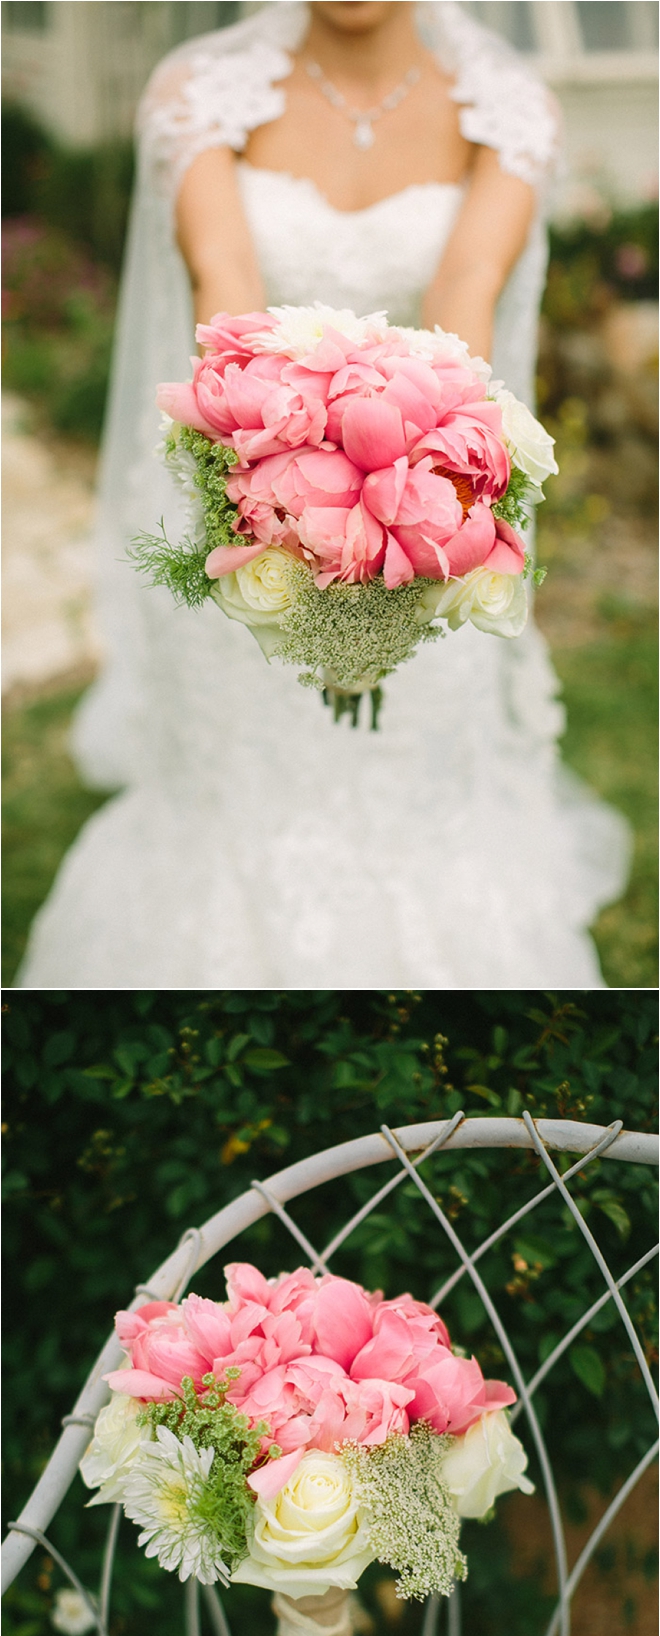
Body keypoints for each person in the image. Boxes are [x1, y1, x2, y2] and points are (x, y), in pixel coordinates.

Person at [19, 0, 629, 988]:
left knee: (417, 793)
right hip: (245, 489)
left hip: (427, 504)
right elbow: (226, 284)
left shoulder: (511, 111)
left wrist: (409, 531)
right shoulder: (196, 96)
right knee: (233, 793)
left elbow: (464, 293)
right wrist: (286, 525)